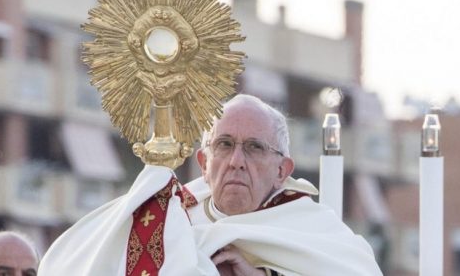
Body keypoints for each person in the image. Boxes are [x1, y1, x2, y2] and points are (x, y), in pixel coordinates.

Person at [39, 94, 382, 276]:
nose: (236, 161)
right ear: (203, 163)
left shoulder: (314, 230)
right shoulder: (169, 218)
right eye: (224, 145)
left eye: (254, 147)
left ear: (282, 170)